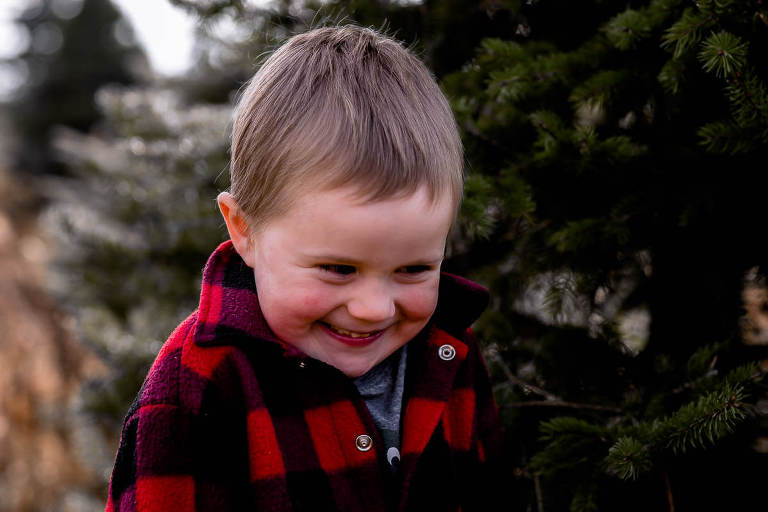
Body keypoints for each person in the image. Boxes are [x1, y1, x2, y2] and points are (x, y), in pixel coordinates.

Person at [105, 25, 503, 512]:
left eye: (414, 269)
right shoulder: (198, 389)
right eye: (338, 268)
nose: (374, 309)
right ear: (244, 230)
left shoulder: (450, 354)